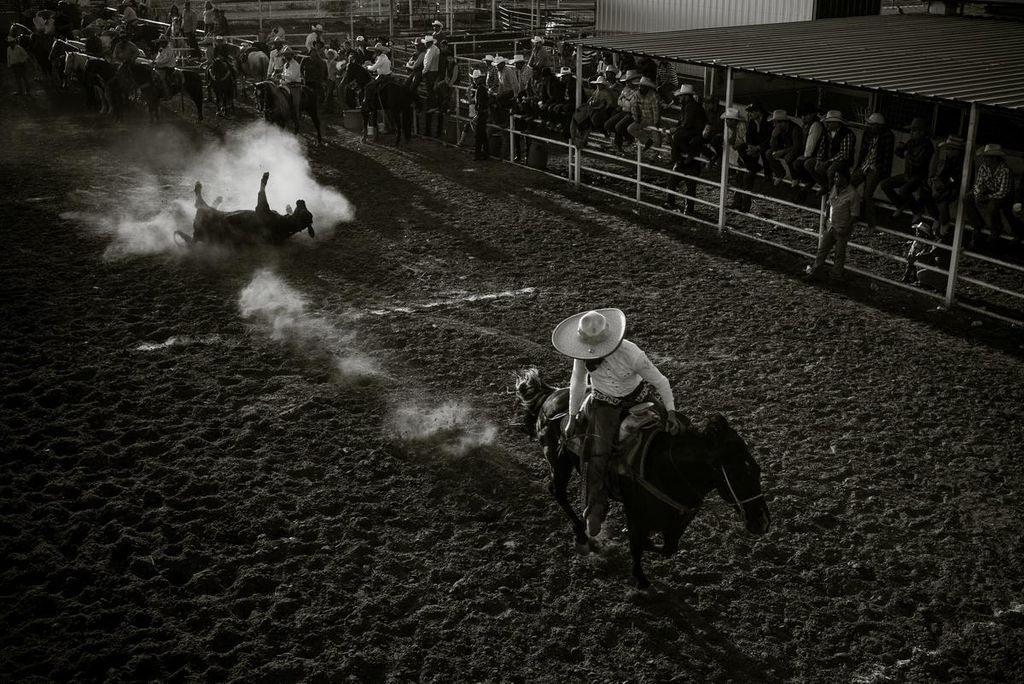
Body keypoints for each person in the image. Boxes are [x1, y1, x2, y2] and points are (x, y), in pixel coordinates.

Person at [551, 308, 687, 539]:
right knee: (598, 452)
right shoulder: (582, 355)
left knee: (680, 431)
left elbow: (660, 381)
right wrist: (573, 416)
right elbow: (577, 382)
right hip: (604, 404)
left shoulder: (631, 353)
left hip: (639, 397)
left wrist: (672, 412)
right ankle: (595, 508)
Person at [805, 166, 861, 283]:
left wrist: (846, 228)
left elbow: (854, 215)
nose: (835, 179)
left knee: (838, 254)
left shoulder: (853, 195)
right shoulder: (836, 189)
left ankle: (834, 276)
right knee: (823, 251)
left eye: (837, 177)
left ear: (844, 179)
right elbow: (829, 204)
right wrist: (826, 219)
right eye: (835, 177)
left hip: (841, 227)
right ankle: (818, 271)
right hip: (831, 225)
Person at [880, 117, 934, 219]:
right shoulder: (912, 142)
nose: (911, 133)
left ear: (922, 132)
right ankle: (900, 204)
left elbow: (918, 162)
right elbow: (900, 154)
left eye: (914, 130)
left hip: (919, 177)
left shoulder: (927, 145)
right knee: (885, 184)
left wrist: (907, 154)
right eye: (911, 130)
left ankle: (917, 211)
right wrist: (899, 148)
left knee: (904, 190)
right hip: (908, 174)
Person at [963, 143, 1014, 248]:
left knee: (993, 206)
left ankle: (996, 229)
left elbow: (1003, 192)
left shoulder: (1005, 170)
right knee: (967, 197)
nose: (984, 159)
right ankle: (976, 225)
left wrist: (986, 197)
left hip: (1003, 196)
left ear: (994, 159)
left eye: (986, 157)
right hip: (988, 192)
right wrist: (978, 194)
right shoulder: (983, 167)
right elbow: (978, 184)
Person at [851, 112, 894, 228]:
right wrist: (858, 167)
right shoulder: (868, 133)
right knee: (848, 185)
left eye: (872, 124)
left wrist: (884, 174)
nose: (869, 126)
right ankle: (853, 213)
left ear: (878, 126)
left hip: (876, 167)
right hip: (865, 164)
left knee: (867, 193)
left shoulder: (888, 136)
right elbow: (862, 151)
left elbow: (887, 157)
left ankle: (871, 221)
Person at [919, 134, 965, 237]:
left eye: (949, 149)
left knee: (943, 200)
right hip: (947, 185)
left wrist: (944, 183)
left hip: (956, 187)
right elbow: (945, 173)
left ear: (956, 150)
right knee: (925, 193)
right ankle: (937, 218)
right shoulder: (950, 158)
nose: (947, 151)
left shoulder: (963, 161)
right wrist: (936, 180)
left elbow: (957, 179)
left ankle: (944, 223)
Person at [806, 109, 856, 195]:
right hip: (828, 159)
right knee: (808, 164)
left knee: (831, 170)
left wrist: (827, 162)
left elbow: (844, 154)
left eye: (829, 122)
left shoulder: (847, 134)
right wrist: (819, 160)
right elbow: (821, 148)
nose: (826, 124)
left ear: (836, 123)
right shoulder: (827, 132)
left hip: (843, 161)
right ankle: (824, 184)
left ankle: (831, 190)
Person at [605, 69, 640, 153]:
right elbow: (619, 101)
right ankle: (622, 141)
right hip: (624, 111)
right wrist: (625, 102)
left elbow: (631, 104)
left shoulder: (638, 91)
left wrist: (624, 101)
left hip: (632, 113)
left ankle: (626, 140)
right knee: (608, 125)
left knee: (618, 127)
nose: (627, 83)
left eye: (629, 81)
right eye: (627, 81)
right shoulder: (626, 88)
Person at [767, 109, 804, 186]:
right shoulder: (779, 129)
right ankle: (780, 174)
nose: (774, 125)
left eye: (776, 123)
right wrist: (773, 137)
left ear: (783, 122)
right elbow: (772, 146)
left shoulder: (795, 129)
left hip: (798, 151)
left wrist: (782, 152)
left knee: (789, 157)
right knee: (769, 153)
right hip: (787, 149)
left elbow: (797, 146)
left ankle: (795, 177)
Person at [626, 76, 661, 154]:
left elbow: (656, 111)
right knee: (630, 129)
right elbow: (633, 107)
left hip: (652, 119)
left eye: (642, 86)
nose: (640, 87)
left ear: (647, 87)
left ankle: (655, 155)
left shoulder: (653, 96)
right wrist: (636, 117)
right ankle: (647, 141)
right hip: (643, 119)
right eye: (640, 86)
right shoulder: (637, 94)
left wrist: (656, 122)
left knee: (657, 139)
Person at [792, 107, 825, 189]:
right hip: (809, 152)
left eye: (806, 115)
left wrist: (806, 155)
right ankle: (803, 180)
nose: (803, 118)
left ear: (812, 115)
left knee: (799, 163)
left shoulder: (816, 125)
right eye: (802, 116)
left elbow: (811, 142)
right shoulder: (806, 125)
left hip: (815, 154)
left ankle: (811, 181)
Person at [362, 42, 392, 110]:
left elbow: (373, 68)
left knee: (368, 87)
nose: (375, 52)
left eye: (376, 51)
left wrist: (367, 67)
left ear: (379, 51)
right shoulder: (384, 57)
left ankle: (366, 103)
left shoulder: (381, 58)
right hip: (388, 75)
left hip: (383, 76)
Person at [470, 68, 490, 160]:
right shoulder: (482, 88)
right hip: (483, 113)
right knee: (482, 135)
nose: (474, 80)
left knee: (479, 135)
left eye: (475, 78)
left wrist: (478, 113)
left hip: (481, 114)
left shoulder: (480, 89)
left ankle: (478, 155)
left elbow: (480, 104)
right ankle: (485, 153)